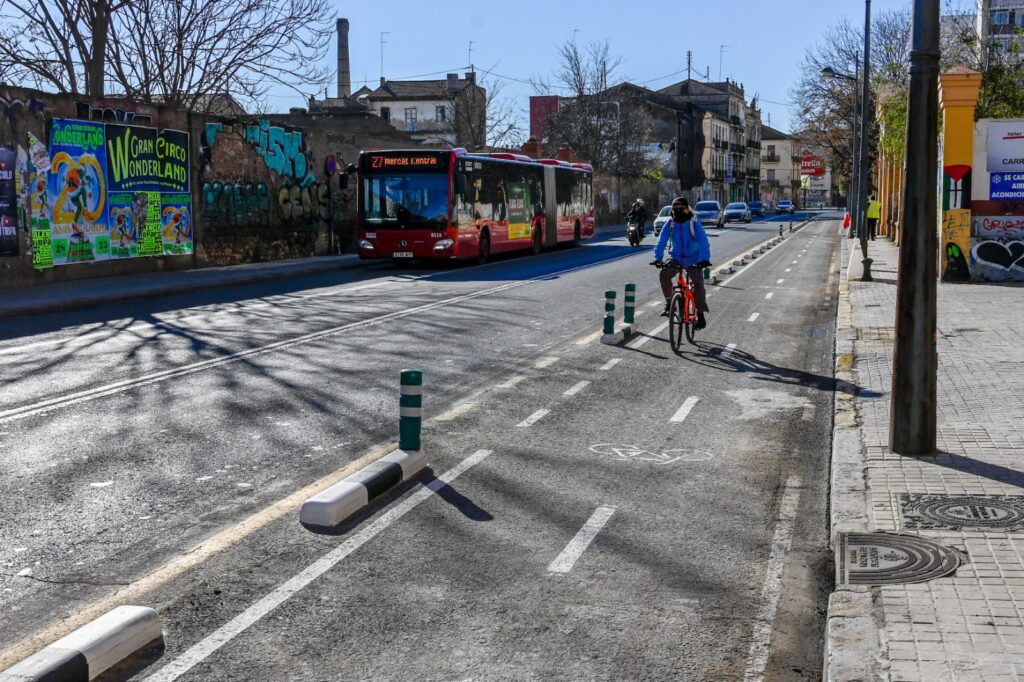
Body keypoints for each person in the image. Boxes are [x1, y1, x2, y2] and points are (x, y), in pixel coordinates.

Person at [651, 197, 712, 329]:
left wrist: (704, 259)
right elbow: (661, 240)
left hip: (694, 259)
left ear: (687, 209)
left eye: (681, 208)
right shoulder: (670, 223)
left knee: (698, 285)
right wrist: (658, 258)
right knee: (664, 274)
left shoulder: (694, 224)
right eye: (675, 209)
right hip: (676, 257)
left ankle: (700, 314)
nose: (678, 211)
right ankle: (669, 303)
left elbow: (703, 241)